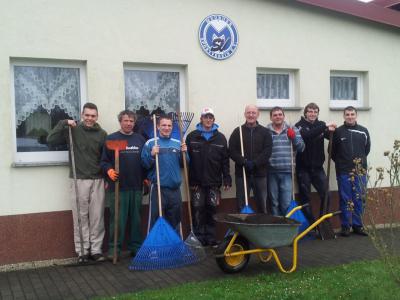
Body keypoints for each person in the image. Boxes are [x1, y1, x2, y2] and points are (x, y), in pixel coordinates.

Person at [47, 102, 107, 263]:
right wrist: (64, 122)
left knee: (97, 217)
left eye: (93, 116)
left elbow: (105, 158)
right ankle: (82, 251)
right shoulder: (72, 130)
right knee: (80, 217)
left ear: (97, 116)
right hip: (78, 178)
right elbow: (50, 139)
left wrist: (106, 177)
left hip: (98, 179)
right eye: (87, 115)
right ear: (82, 115)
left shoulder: (102, 134)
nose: (89, 118)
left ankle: (96, 250)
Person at [101, 110, 146, 259]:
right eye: (126, 120)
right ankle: (114, 249)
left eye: (131, 121)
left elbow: (145, 161)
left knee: (136, 220)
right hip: (118, 187)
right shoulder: (112, 139)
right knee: (118, 220)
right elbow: (104, 161)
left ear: (134, 123)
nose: (128, 123)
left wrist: (145, 178)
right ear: (120, 121)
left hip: (137, 186)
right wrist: (109, 171)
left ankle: (136, 247)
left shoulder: (140, 139)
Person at [186, 107, 232, 246]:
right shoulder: (192, 136)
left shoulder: (220, 138)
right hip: (196, 183)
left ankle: (211, 238)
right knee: (198, 210)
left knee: (212, 210)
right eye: (205, 117)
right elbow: (185, 160)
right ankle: (199, 238)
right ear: (201, 119)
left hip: (214, 183)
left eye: (210, 117)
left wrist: (227, 177)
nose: (208, 119)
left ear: (213, 119)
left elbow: (225, 160)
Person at [141, 115, 188, 234]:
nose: (167, 128)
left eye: (169, 125)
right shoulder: (150, 143)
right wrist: (152, 154)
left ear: (172, 127)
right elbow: (144, 164)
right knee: (156, 221)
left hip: (175, 190)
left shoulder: (177, 143)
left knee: (175, 221)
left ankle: (174, 248)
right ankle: (155, 250)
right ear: (158, 126)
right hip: (158, 189)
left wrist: (184, 153)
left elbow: (185, 164)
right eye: (163, 125)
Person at [332, 106, 371, 237]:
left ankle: (357, 225)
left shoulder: (364, 131)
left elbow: (366, 149)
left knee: (359, 198)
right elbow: (332, 152)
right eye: (347, 114)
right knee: (345, 199)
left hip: (360, 171)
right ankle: (345, 226)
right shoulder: (338, 132)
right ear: (344, 116)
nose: (350, 116)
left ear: (356, 115)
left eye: (352, 114)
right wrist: (343, 162)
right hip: (344, 171)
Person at [295, 102, 336, 224]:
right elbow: (307, 136)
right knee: (305, 198)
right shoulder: (299, 126)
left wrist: (334, 130)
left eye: (315, 112)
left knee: (326, 194)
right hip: (303, 169)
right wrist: (324, 127)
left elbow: (332, 137)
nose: (312, 114)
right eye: (310, 111)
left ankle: (323, 223)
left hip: (318, 168)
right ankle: (311, 225)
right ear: (305, 113)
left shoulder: (321, 125)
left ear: (318, 113)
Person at [229, 105, 272, 213]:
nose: (251, 115)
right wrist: (244, 162)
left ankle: (262, 227)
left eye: (253, 113)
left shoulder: (265, 132)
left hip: (260, 174)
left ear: (258, 115)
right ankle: (244, 228)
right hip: (242, 174)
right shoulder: (237, 131)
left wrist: (255, 163)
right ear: (245, 114)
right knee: (242, 204)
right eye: (248, 113)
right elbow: (232, 151)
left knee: (262, 204)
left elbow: (267, 151)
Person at [267, 106, 305, 216]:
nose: (277, 117)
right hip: (271, 171)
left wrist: (294, 137)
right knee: (274, 203)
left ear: (283, 116)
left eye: (280, 114)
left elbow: (302, 148)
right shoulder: (266, 131)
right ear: (271, 118)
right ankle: (276, 228)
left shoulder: (292, 129)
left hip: (287, 171)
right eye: (275, 115)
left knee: (286, 203)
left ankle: (286, 227)